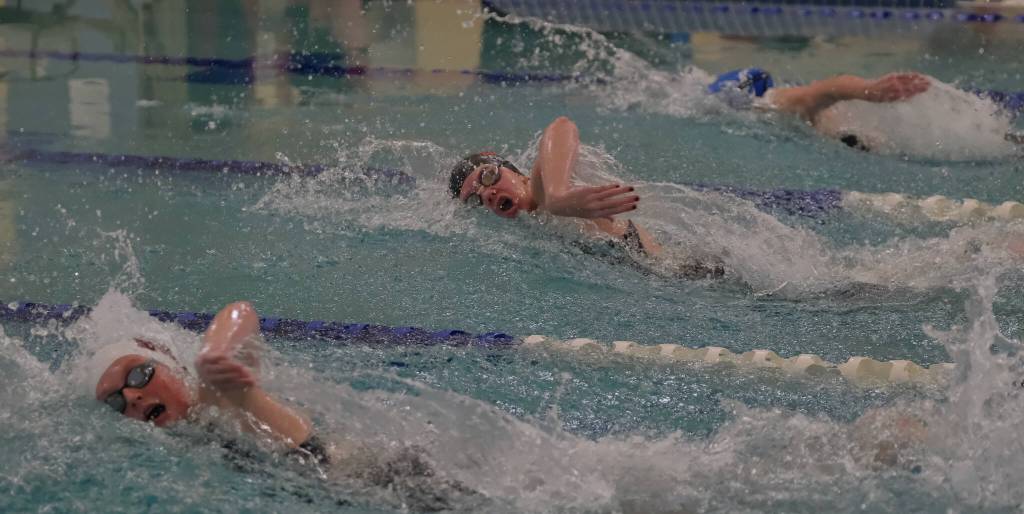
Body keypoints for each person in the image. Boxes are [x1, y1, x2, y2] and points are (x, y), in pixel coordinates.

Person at [90, 301, 476, 511]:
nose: (132, 397)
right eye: (114, 401)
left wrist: (215, 352)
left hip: (385, 479)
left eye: (138, 376)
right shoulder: (187, 442)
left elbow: (240, 313)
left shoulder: (210, 389)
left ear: (165, 359)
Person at [448, 116, 725, 279]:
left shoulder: (542, 191)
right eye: (475, 199)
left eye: (487, 177)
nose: (487, 193)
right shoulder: (531, 225)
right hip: (658, 275)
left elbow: (562, 126)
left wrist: (557, 196)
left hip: (690, 272)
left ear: (513, 172)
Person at [707, 68, 933, 151]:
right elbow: (832, 87)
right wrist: (869, 89)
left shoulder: (806, 114)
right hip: (739, 90)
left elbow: (829, 90)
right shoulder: (797, 108)